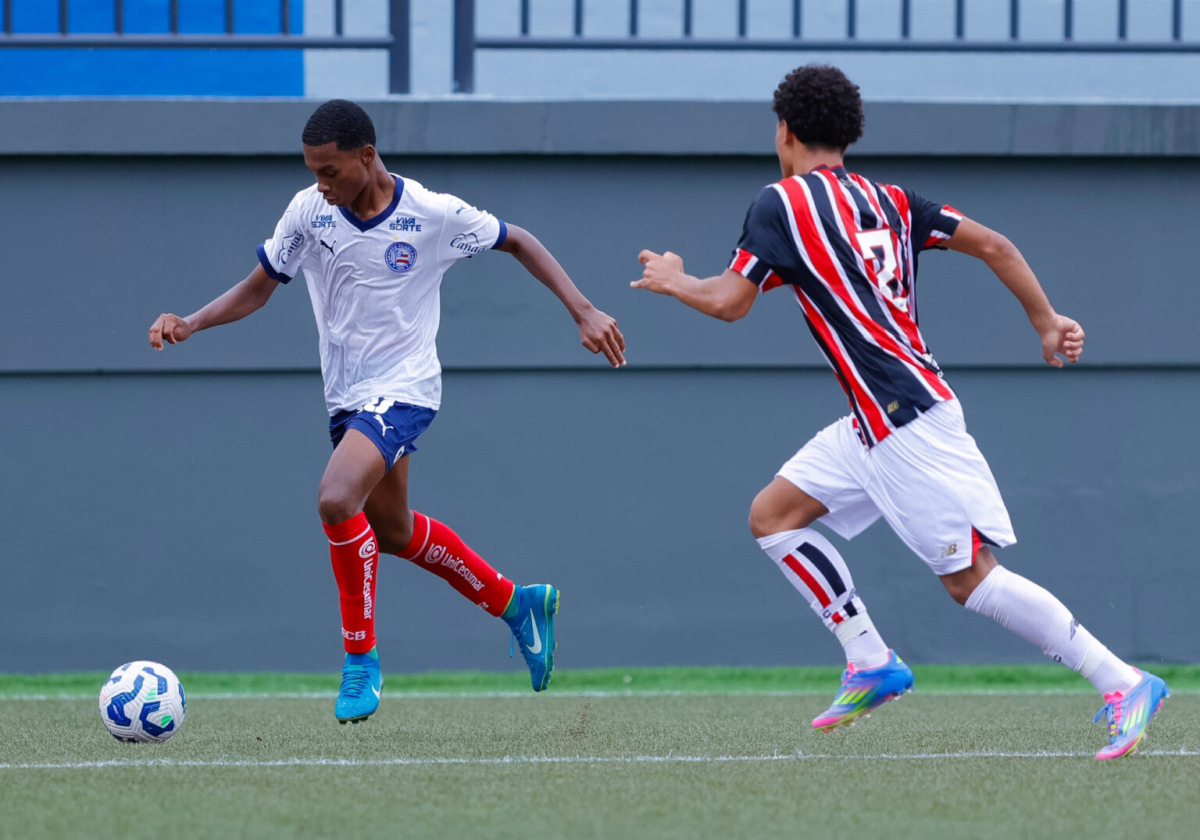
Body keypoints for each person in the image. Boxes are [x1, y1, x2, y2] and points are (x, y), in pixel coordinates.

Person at [631, 64, 1167, 760]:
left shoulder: (782, 203)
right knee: (775, 516)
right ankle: (870, 661)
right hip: (873, 421)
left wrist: (675, 284)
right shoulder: (891, 199)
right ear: (847, 134)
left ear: (784, 130)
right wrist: (1046, 319)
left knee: (970, 578)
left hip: (905, 420)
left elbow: (731, 302)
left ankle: (1121, 680)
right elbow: (996, 246)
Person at [150, 99, 626, 724]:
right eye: (313, 171)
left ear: (367, 157)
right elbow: (260, 285)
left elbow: (519, 241)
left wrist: (584, 309)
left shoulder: (433, 214)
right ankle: (518, 604)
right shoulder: (308, 210)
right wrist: (191, 322)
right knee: (394, 531)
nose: (321, 184)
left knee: (335, 497)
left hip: (405, 388)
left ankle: (360, 661)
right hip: (347, 398)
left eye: (330, 171)